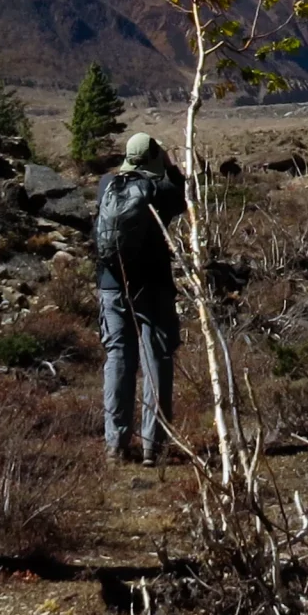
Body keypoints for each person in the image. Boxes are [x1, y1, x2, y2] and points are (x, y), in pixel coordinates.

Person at [93, 131, 186, 465]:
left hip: (111, 285)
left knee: (118, 360)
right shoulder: (160, 190)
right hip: (152, 286)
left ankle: (115, 445)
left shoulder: (106, 185)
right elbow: (183, 196)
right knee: (156, 360)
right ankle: (153, 446)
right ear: (154, 158)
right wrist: (170, 166)